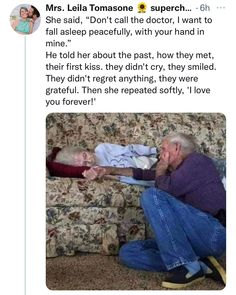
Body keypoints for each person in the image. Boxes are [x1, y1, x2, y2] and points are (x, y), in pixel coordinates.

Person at [83, 133, 226, 289]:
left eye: (163, 148)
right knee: (128, 253)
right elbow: (143, 174)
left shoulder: (197, 161)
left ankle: (188, 267)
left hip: (214, 233)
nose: (160, 153)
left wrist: (161, 170)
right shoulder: (176, 173)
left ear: (177, 148)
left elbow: (165, 187)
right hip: (191, 241)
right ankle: (199, 263)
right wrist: (108, 169)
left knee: (152, 195)